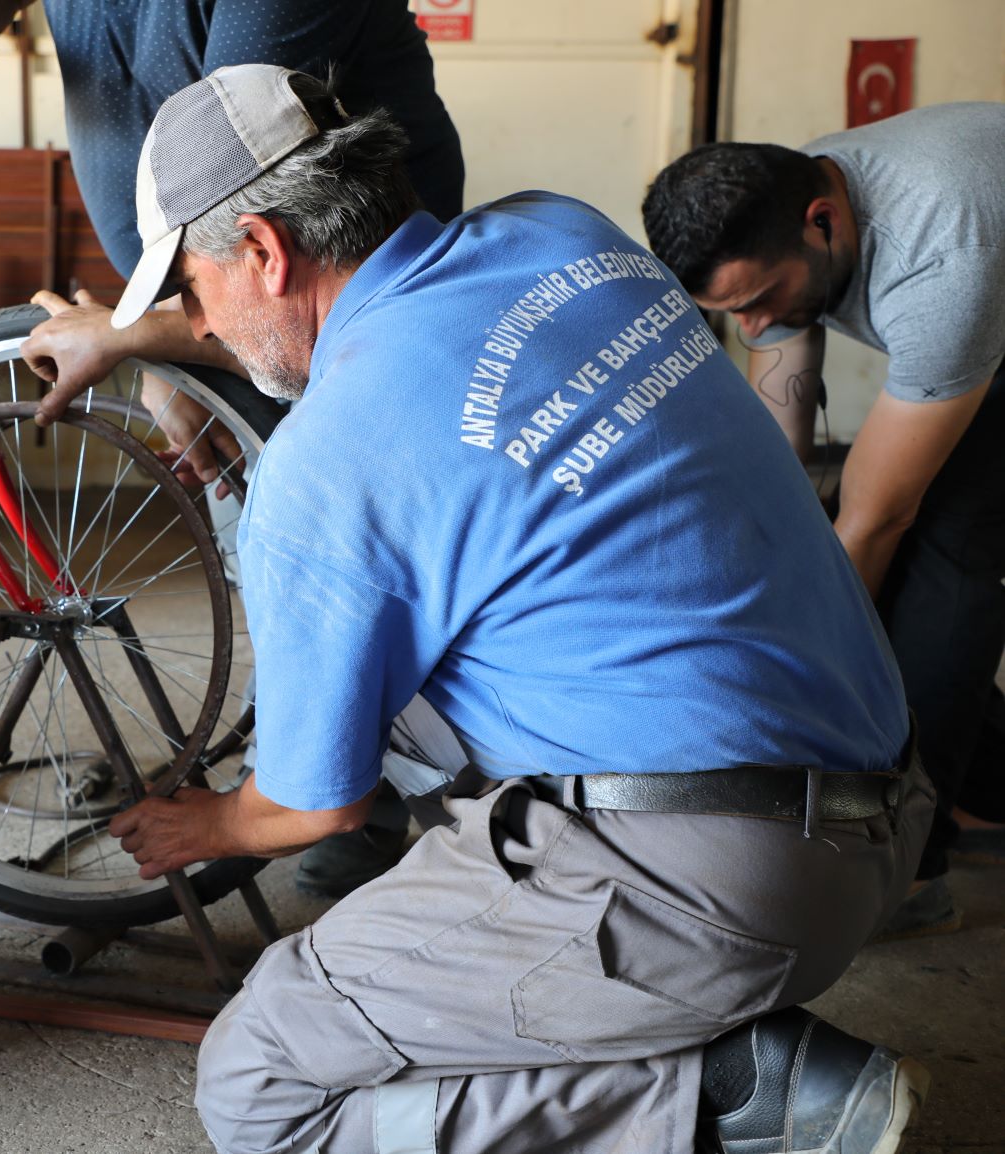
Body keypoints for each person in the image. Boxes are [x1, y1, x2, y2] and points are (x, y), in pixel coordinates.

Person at [105, 64, 933, 1154]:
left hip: (728, 885)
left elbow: (311, 809)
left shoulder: (323, 465)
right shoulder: (561, 232)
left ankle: (729, 1095)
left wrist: (211, 820)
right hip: (888, 796)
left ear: (262, 250)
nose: (199, 326)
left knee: (258, 1083)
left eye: (192, 288)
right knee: (428, 638)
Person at [0, 0, 465, 896]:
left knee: (353, 565)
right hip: (210, 278)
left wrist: (146, 335)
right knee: (259, 541)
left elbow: (240, 175)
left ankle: (376, 792)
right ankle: (324, 773)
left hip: (317, 287)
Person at [641, 104, 1005, 938]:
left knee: (948, 550)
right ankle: (990, 791)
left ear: (822, 223)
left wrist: (799, 661)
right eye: (731, 311)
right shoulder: (784, 201)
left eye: (762, 299)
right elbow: (785, 442)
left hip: (982, 278)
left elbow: (878, 519)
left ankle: (912, 864)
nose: (754, 327)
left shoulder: (940, 256)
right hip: (984, 294)